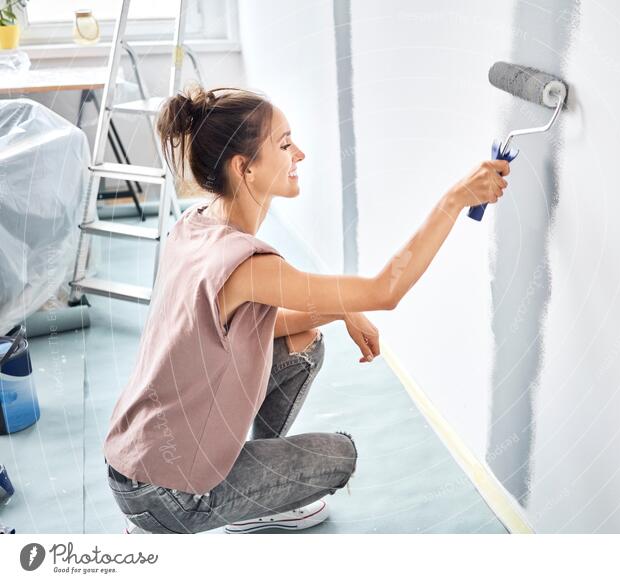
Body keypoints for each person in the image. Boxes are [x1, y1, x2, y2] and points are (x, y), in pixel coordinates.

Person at [102, 84, 511, 534]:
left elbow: (244, 327)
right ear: (245, 169)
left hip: (132, 465)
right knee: (339, 457)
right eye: (283, 145)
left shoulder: (195, 225)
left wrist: (339, 310)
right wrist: (455, 199)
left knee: (304, 344)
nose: (299, 153)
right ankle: (240, 507)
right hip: (171, 497)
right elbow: (385, 290)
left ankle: (252, 494)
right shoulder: (249, 265)